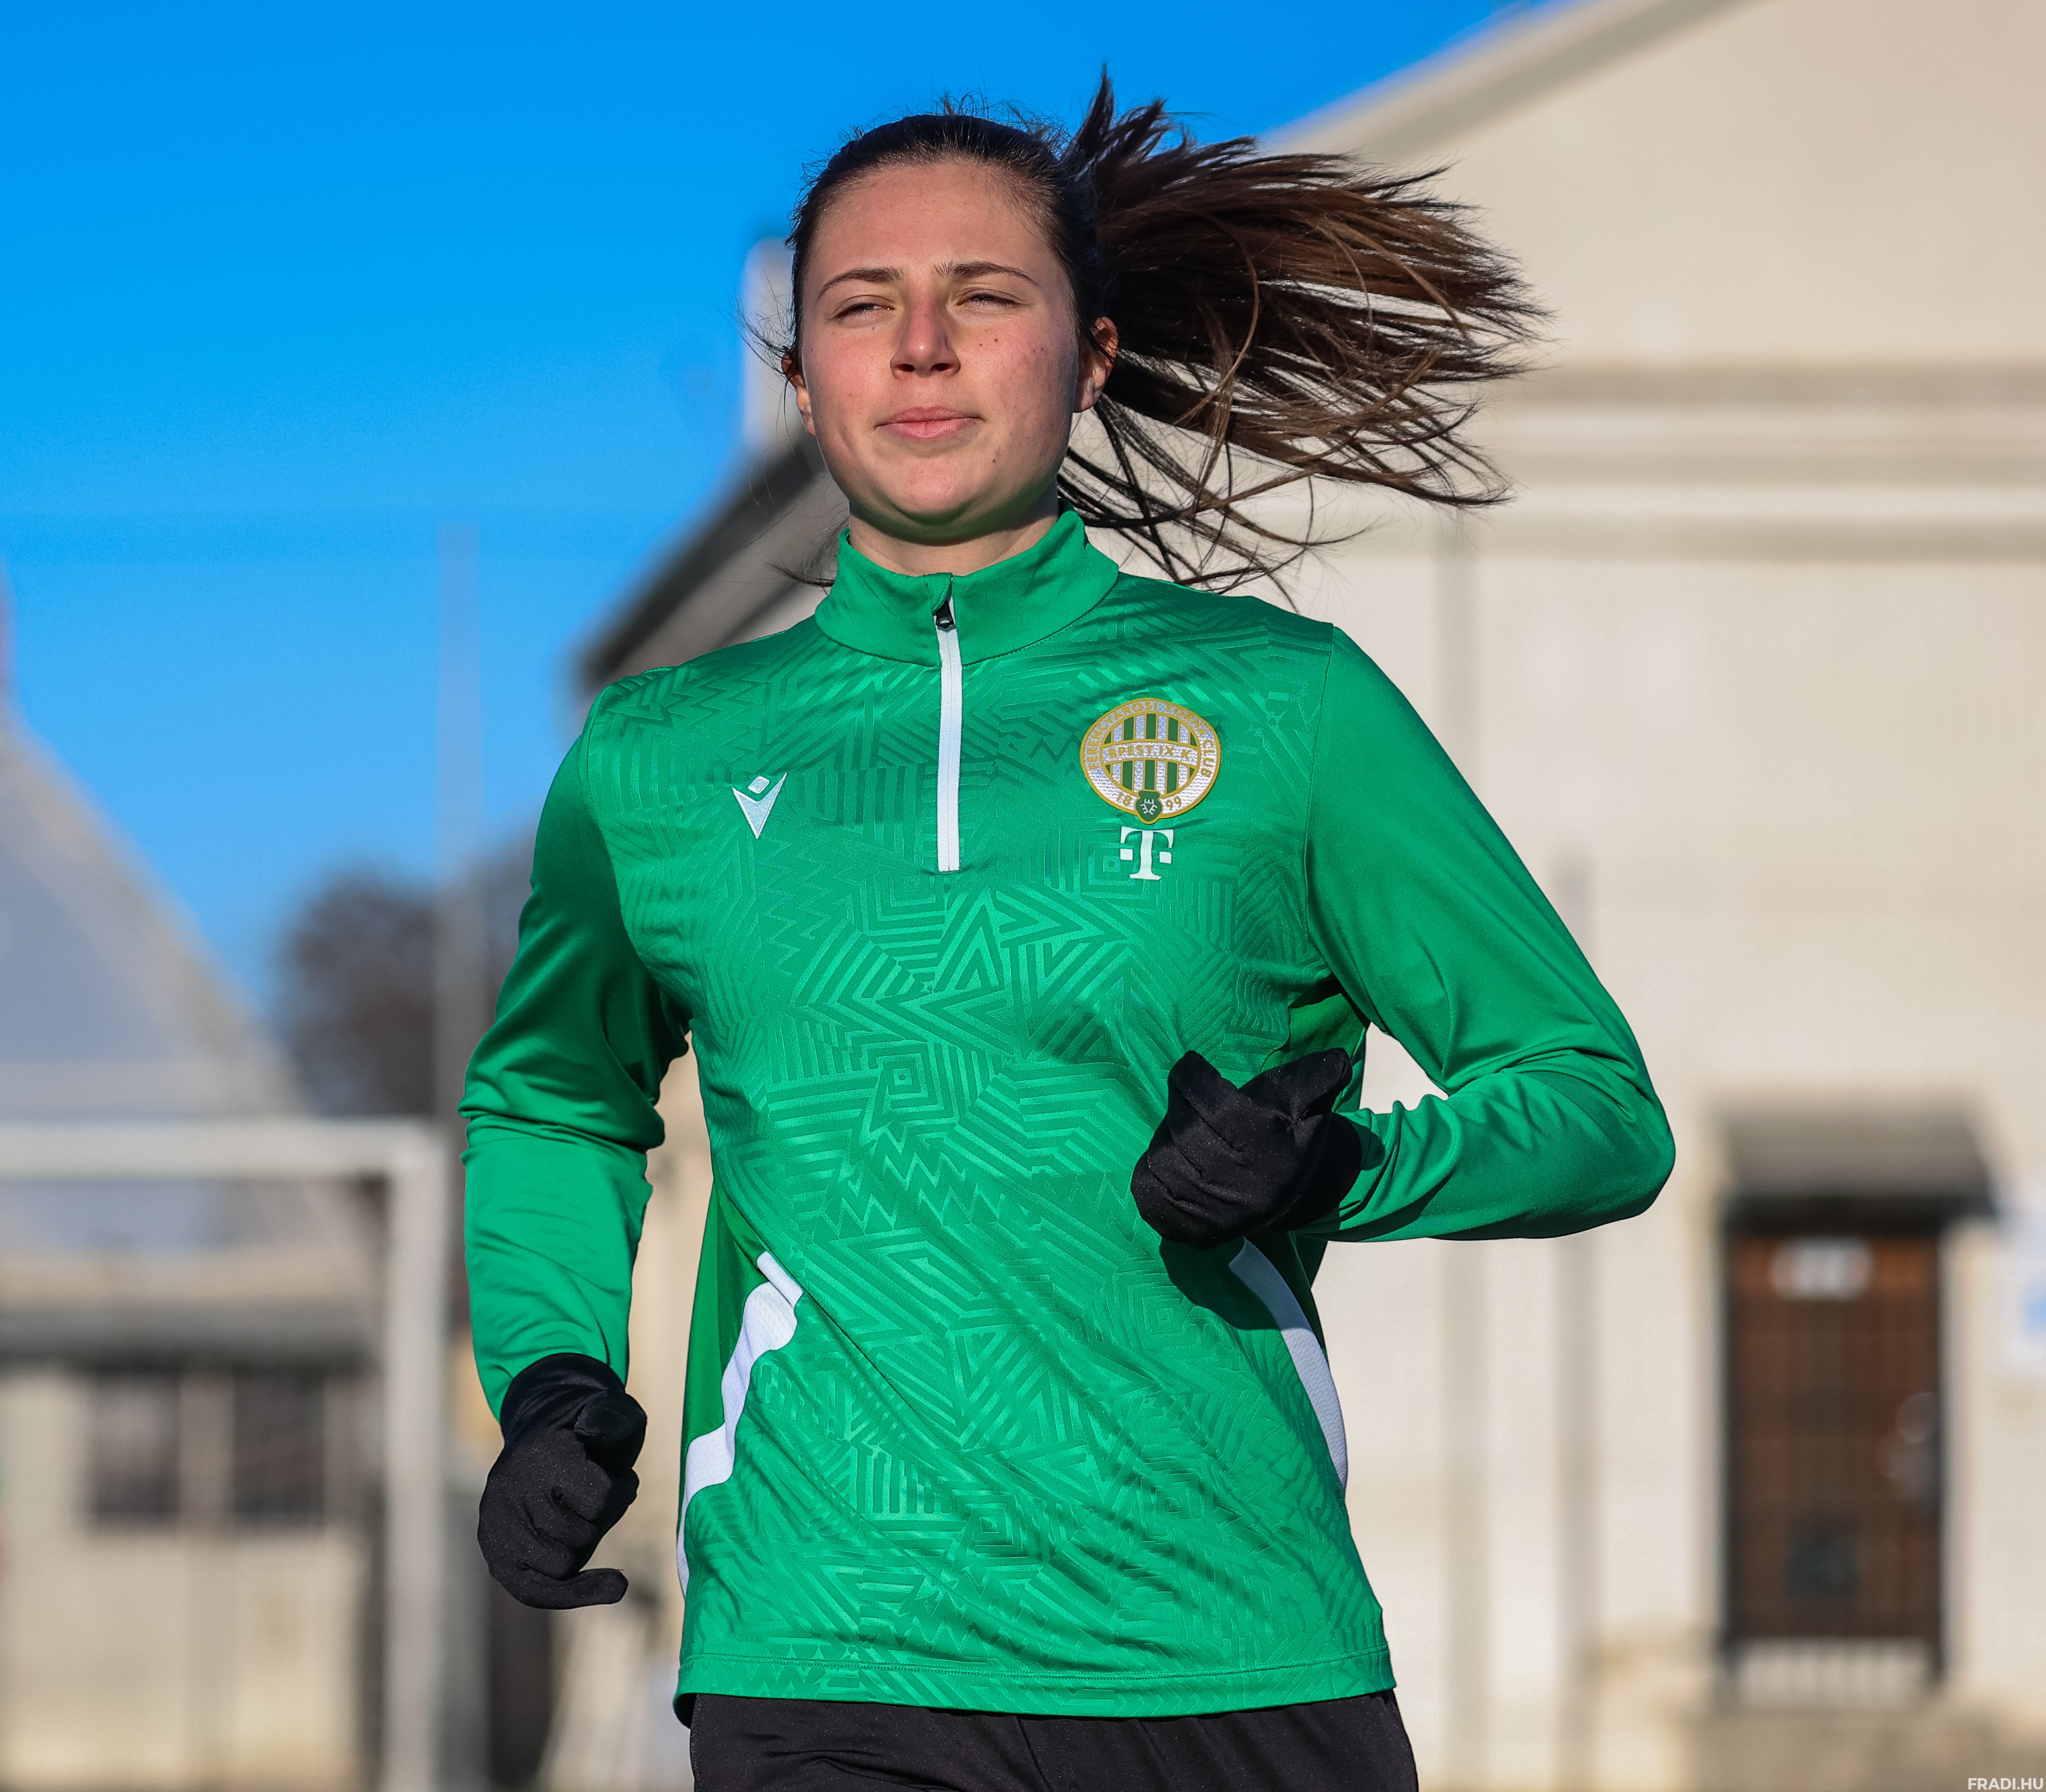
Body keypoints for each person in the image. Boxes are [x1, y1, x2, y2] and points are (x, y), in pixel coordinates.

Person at [463, 80, 1674, 1791]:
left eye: (984, 296)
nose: (922, 347)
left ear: (1091, 355)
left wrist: (1333, 1166)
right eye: (862, 307)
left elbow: (1597, 1109)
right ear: (801, 380)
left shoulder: (1290, 711)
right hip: (830, 1646)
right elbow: (552, 1101)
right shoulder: (659, 760)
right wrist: (551, 1375)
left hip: (1228, 1645)